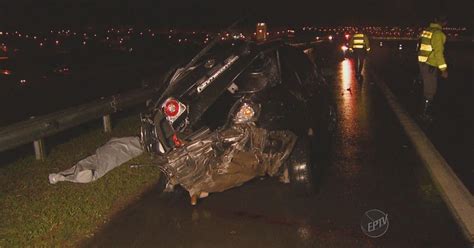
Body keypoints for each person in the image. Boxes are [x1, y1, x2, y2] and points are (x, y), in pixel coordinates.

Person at [417, 15, 448, 122]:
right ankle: (424, 114)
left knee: (427, 88)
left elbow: (419, 46)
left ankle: (423, 112)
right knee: (430, 90)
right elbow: (438, 53)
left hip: (422, 62)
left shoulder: (426, 31)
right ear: (443, 23)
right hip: (430, 64)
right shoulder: (438, 34)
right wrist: (443, 69)